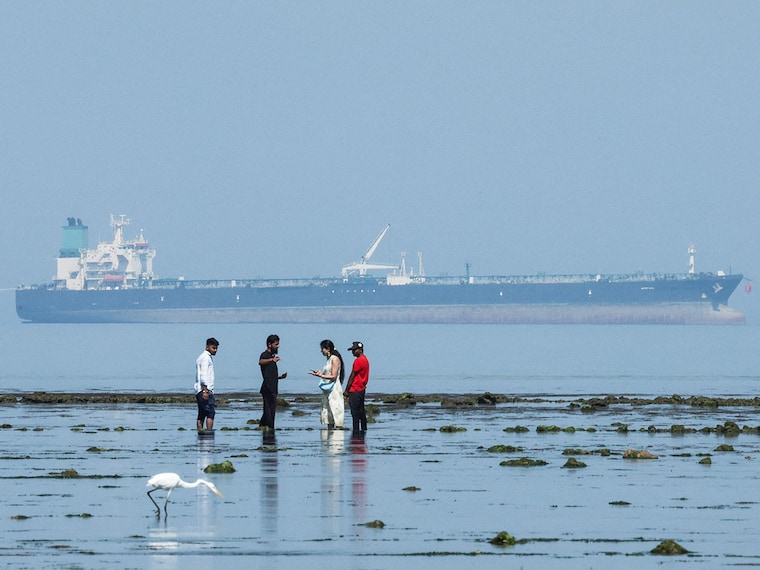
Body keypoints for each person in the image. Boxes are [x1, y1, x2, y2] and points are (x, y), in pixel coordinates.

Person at [309, 339, 345, 429]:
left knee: (335, 410)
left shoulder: (334, 359)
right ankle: (330, 431)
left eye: (322, 349)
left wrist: (321, 375)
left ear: (328, 348)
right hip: (328, 388)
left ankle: (337, 433)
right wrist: (320, 373)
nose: (321, 351)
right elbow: (328, 373)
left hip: (334, 389)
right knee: (328, 411)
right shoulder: (329, 359)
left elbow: (333, 376)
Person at [259, 334, 287, 430]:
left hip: (273, 388)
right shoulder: (265, 355)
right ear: (269, 344)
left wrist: (279, 377)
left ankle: (266, 428)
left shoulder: (271, 356)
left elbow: (270, 375)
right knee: (268, 411)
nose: (278, 346)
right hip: (267, 388)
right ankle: (269, 429)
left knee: (271, 411)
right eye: (276, 344)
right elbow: (261, 361)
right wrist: (272, 360)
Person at [194, 337, 219, 430]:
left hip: (199, 390)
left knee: (202, 413)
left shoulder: (202, 357)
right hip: (204, 390)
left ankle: (200, 434)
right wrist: (205, 390)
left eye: (216, 348)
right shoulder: (205, 358)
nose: (215, 350)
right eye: (213, 348)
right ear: (207, 347)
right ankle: (209, 433)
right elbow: (203, 375)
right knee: (210, 412)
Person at [344, 341, 369, 432]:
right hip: (361, 389)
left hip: (355, 389)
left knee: (355, 413)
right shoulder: (365, 359)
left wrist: (347, 390)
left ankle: (356, 431)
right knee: (361, 411)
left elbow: (352, 376)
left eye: (355, 350)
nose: (353, 352)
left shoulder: (358, 361)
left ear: (360, 350)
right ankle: (363, 429)